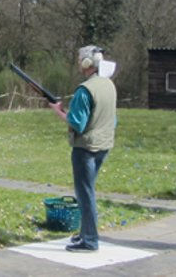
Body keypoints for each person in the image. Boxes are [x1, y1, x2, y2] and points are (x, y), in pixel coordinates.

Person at [49, 45, 117, 253]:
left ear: (88, 63)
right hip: (103, 145)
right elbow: (110, 119)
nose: (79, 64)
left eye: (80, 60)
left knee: (85, 194)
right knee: (87, 191)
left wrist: (58, 112)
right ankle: (86, 231)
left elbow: (77, 124)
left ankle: (89, 240)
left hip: (85, 148)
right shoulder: (108, 85)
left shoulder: (85, 89)